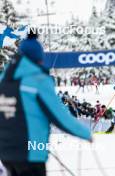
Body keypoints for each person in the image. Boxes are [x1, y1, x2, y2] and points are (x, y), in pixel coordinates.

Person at [0, 29, 92, 176]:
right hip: (30, 156)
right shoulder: (37, 81)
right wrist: (86, 133)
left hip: (5, 155)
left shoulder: (3, 81)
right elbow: (59, 116)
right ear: (36, 59)